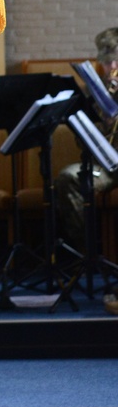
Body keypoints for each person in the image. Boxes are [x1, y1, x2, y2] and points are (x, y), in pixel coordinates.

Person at [55, 27, 118, 253]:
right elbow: (82, 143)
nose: (110, 68)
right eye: (106, 62)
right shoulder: (95, 91)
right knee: (67, 179)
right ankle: (87, 253)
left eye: (115, 62)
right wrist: (102, 123)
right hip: (104, 167)